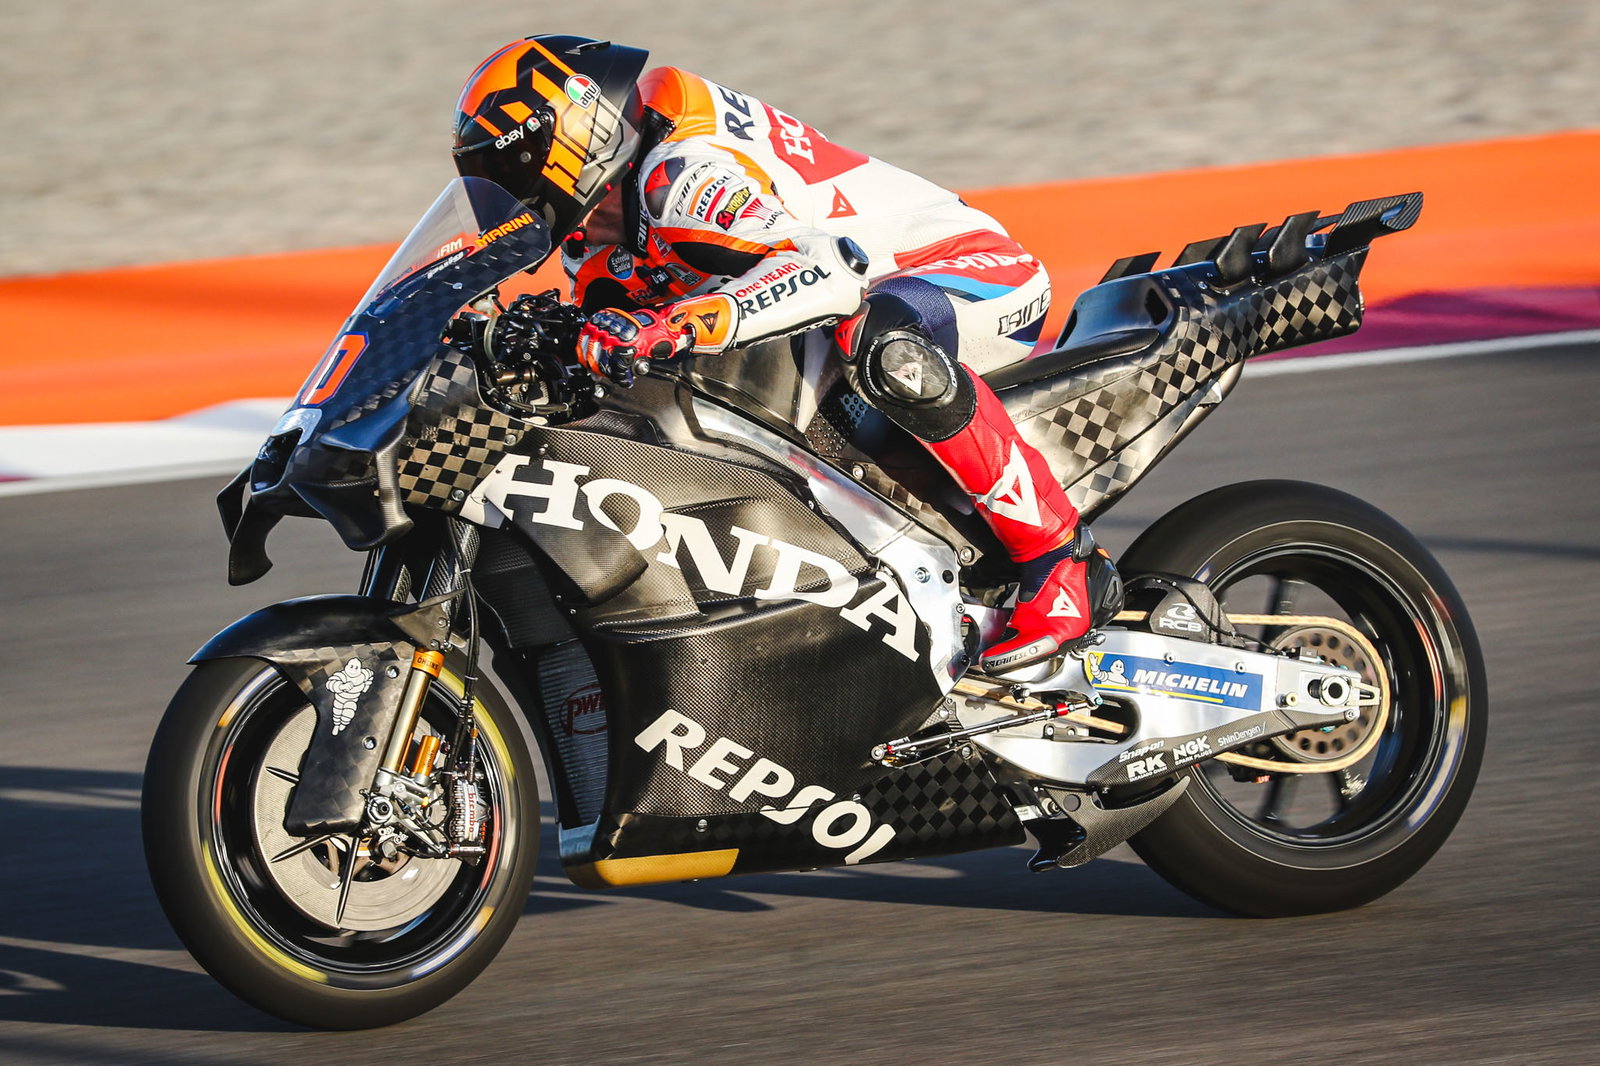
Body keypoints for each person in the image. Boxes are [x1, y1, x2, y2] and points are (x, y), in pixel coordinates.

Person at [450, 34, 1121, 673]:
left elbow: (827, 275)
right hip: (862, 292)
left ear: (572, 141)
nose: (497, 194)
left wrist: (678, 324)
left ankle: (1060, 562)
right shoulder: (599, 236)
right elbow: (609, 331)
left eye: (502, 168)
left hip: (968, 272)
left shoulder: (680, 180)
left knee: (875, 341)